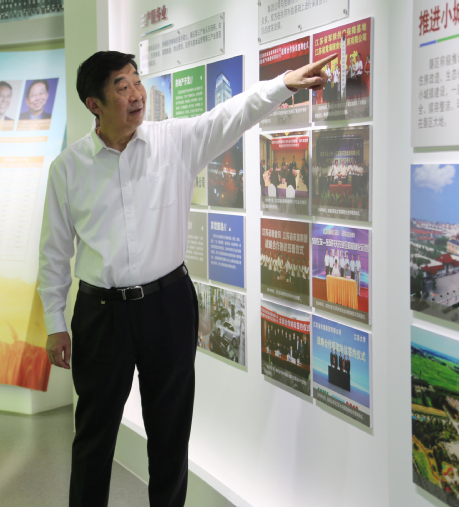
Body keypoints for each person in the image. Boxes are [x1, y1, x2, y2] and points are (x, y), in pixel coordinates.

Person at [38, 50, 333, 507]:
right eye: (121, 86)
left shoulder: (173, 140)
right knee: (94, 434)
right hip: (102, 314)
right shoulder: (68, 169)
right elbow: (55, 252)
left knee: (170, 433)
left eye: (137, 81)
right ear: (94, 103)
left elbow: (230, 115)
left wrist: (284, 84)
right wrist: (55, 321)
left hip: (167, 304)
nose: (136, 94)